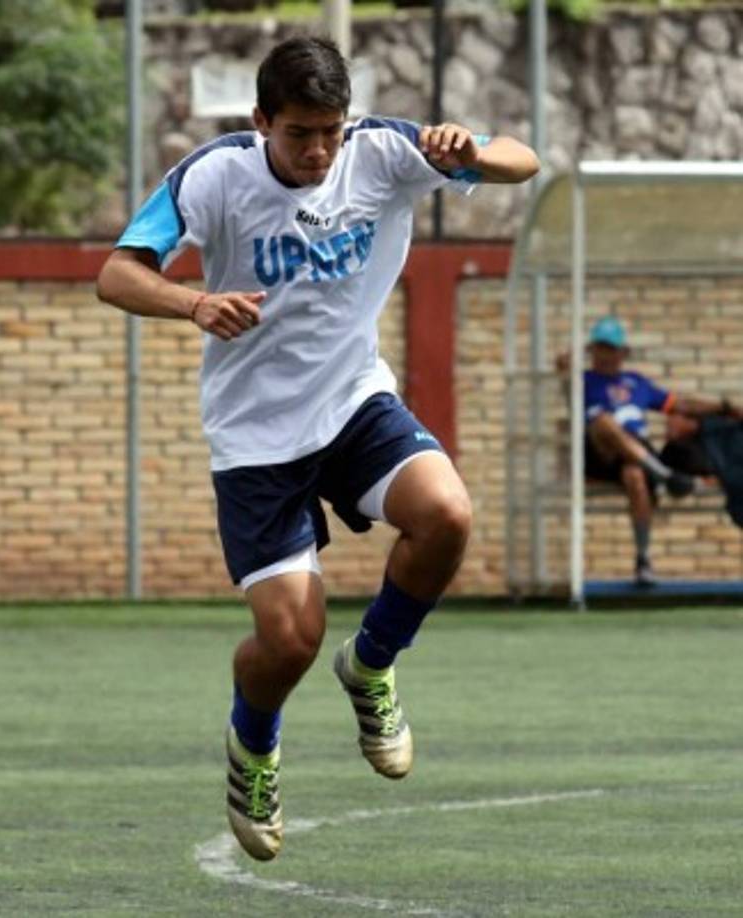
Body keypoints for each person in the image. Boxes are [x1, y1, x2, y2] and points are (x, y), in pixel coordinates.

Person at [97, 35, 539, 861]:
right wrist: (193, 304)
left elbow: (524, 160)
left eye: (330, 131)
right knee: (290, 640)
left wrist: (468, 148)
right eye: (299, 132)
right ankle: (253, 744)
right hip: (257, 436)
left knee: (445, 513)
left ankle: (372, 665)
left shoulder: (381, 154)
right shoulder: (216, 173)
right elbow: (117, 273)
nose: (317, 150)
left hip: (352, 403)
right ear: (261, 120)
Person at [558, 315, 743, 587]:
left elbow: (679, 405)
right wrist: (569, 361)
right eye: (599, 347)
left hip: (638, 456)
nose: (605, 355)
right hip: (599, 452)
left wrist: (723, 408)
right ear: (592, 350)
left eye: (611, 348)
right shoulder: (582, 380)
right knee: (603, 422)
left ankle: (643, 560)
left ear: (623, 352)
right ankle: (666, 476)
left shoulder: (637, 383)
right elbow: (564, 376)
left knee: (635, 476)